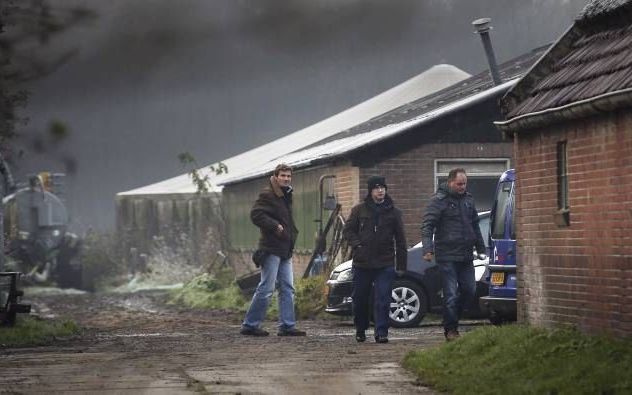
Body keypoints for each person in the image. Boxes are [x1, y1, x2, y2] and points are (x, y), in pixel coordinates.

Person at [420, 168, 486, 341]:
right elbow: (427, 226)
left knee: (469, 290)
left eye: (464, 183)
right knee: (450, 294)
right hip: (447, 255)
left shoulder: (468, 201)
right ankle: (451, 330)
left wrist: (481, 249)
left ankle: (451, 319)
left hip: (466, 255)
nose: (462, 187)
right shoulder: (438, 201)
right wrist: (427, 249)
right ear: (450, 183)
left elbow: (475, 226)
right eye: (459, 184)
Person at [240, 163, 306, 337]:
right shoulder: (268, 194)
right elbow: (256, 215)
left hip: (285, 249)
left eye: (288, 176)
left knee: (288, 288)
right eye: (283, 175)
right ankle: (250, 325)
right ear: (276, 176)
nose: (286, 178)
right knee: (267, 288)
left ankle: (287, 326)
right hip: (271, 248)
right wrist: (274, 226)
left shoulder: (285, 195)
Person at [343, 176, 407, 343]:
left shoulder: (394, 212)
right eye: (376, 188)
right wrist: (357, 245)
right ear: (370, 191)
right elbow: (348, 231)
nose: (380, 191)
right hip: (362, 262)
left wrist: (401, 265)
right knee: (360, 298)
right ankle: (361, 328)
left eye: (383, 188)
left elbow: (401, 240)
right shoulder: (359, 210)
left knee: (383, 298)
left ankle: (381, 332)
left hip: (384, 262)